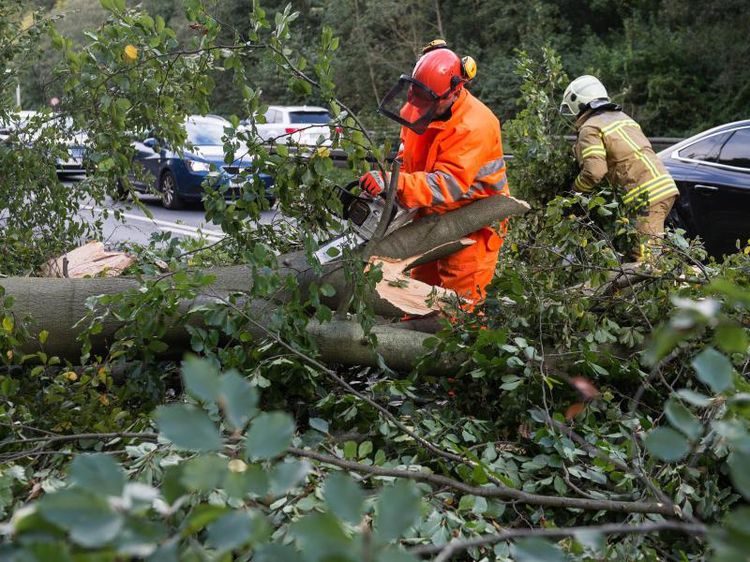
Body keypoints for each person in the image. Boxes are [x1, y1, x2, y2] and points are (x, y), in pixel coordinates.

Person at [359, 40, 509, 304]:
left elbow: (447, 185)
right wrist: (387, 189)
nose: (422, 107)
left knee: (460, 309)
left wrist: (397, 185)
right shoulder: (417, 107)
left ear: (454, 91)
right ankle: (411, 340)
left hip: (472, 223)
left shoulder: (475, 125)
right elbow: (406, 160)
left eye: (430, 102)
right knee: (417, 294)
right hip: (430, 216)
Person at [560, 75, 679, 262]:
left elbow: (594, 172)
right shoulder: (624, 119)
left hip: (646, 197)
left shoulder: (590, 128)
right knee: (639, 252)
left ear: (579, 103)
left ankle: (656, 288)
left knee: (647, 261)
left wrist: (574, 192)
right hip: (660, 187)